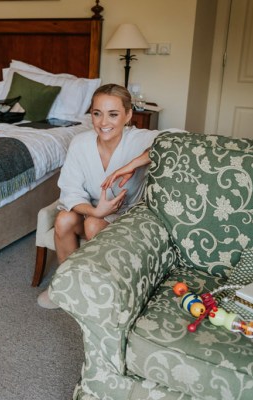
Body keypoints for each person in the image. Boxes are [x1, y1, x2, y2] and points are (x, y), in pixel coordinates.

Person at [37, 83, 160, 309]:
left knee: (94, 225)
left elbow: (179, 141)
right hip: (92, 210)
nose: (104, 123)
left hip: (128, 217)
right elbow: (70, 191)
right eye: (97, 114)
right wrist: (95, 211)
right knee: (63, 219)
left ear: (128, 115)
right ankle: (66, 284)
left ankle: (99, 287)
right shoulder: (80, 143)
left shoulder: (138, 140)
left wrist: (132, 165)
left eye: (113, 114)